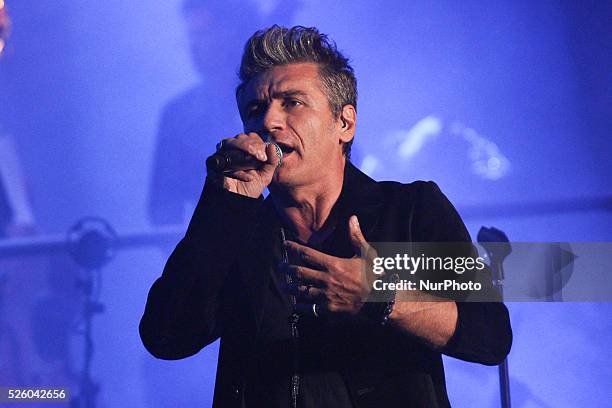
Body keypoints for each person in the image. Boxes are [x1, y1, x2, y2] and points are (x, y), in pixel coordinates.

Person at [140, 25, 512, 408]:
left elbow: (489, 334)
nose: (268, 121)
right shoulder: (237, 231)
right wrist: (223, 205)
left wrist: (380, 298)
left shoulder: (409, 210)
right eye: (255, 109)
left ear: (344, 123)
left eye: (292, 103)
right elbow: (166, 336)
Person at [148, 0, 298, 226]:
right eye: (191, 36)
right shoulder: (177, 114)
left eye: (204, 33)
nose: (194, 45)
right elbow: (162, 207)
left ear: (233, 32)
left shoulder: (289, 100)